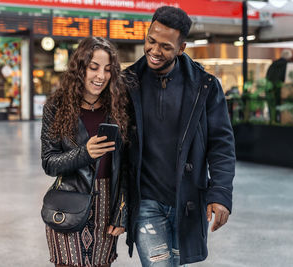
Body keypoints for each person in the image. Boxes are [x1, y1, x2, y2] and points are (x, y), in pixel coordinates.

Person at [124, 6, 236, 266]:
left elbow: (221, 144)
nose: (154, 50)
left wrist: (220, 193)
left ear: (181, 48)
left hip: (187, 200)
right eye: (151, 41)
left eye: (165, 46)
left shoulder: (204, 86)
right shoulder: (127, 83)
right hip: (146, 203)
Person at [41, 37, 129, 267]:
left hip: (105, 208)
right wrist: (85, 153)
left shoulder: (118, 109)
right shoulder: (56, 106)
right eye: (94, 68)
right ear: (80, 68)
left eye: (108, 70)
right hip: (69, 202)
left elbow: (127, 167)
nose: (101, 76)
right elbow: (49, 163)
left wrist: (121, 213)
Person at [265, 49, 293, 123]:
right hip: (281, 90)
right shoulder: (287, 65)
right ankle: (279, 122)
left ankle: (272, 121)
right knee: (281, 109)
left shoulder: (273, 64)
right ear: (289, 57)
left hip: (270, 90)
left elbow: (267, 76)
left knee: (272, 109)